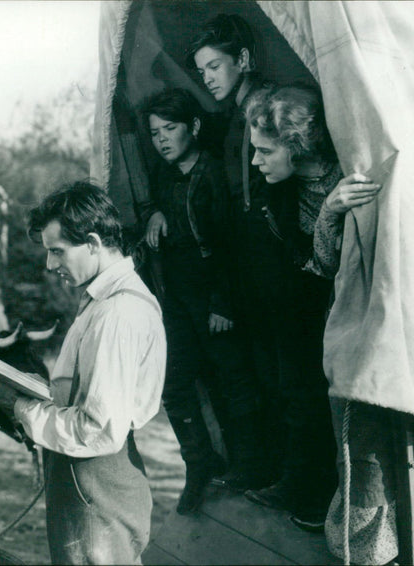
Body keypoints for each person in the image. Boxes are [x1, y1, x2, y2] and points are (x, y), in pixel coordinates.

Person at [0, 181, 166, 565]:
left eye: (57, 252)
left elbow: (98, 428)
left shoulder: (118, 314)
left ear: (92, 242)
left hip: (98, 483)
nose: (49, 265)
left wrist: (19, 405)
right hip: (86, 477)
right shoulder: (101, 301)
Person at [241, 84, 382, 532]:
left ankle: (328, 501)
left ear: (296, 146)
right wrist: (329, 213)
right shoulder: (279, 192)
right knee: (297, 398)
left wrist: (333, 208)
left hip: (352, 314)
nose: (254, 161)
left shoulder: (350, 169)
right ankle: (304, 490)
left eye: (264, 151)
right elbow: (317, 264)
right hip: (303, 311)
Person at [138, 88, 267, 513]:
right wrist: (153, 212)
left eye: (170, 129)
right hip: (174, 298)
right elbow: (158, 205)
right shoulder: (162, 172)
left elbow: (233, 246)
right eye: (155, 132)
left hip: (215, 295)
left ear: (193, 127)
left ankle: (252, 469)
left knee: (234, 382)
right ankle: (199, 462)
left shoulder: (214, 173)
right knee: (174, 384)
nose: (161, 139)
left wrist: (222, 304)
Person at [189, 14, 287, 486]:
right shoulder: (233, 117)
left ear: (243, 60)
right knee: (263, 379)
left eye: (213, 66)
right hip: (254, 272)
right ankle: (269, 476)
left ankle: (298, 491)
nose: (206, 78)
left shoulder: (266, 112)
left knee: (285, 381)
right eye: (201, 70)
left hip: (275, 271)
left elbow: (264, 206)